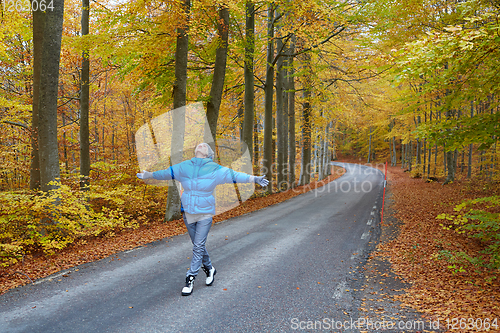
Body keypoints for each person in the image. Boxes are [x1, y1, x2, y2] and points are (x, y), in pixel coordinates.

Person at [137, 143, 269, 296]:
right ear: (195, 151)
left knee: (198, 245)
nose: (201, 145)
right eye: (199, 145)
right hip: (188, 212)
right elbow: (166, 173)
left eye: (205, 146)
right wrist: (150, 175)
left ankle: (190, 277)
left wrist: (254, 179)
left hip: (205, 213)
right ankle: (210, 269)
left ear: (208, 154)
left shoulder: (215, 169)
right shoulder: (184, 166)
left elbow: (235, 175)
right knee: (198, 245)